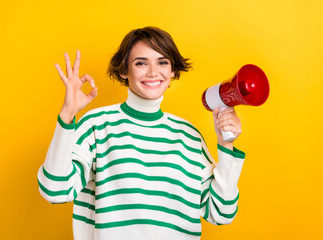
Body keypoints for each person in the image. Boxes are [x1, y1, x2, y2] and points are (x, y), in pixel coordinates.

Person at [37, 26, 245, 240]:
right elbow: (55, 189)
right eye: (141, 63)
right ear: (124, 71)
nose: (153, 72)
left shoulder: (189, 136)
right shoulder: (97, 124)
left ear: (172, 70)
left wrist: (226, 145)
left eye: (162, 62)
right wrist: (67, 115)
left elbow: (221, 212)